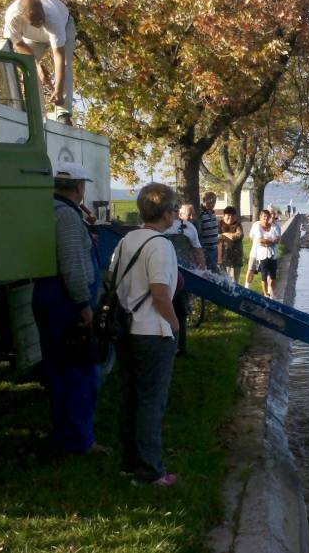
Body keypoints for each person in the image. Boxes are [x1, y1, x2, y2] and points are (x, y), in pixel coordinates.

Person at [31, 162, 109, 456]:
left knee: (59, 370)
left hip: (48, 295)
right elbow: (73, 266)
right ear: (79, 187)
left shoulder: (49, 211)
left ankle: (63, 434)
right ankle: (78, 440)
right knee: (79, 371)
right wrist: (83, 305)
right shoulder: (67, 217)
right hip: (66, 301)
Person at [110, 182, 180, 486]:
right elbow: (160, 293)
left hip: (128, 327)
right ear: (165, 213)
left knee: (131, 397)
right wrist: (175, 325)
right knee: (152, 402)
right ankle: (150, 470)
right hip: (153, 331)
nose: (177, 214)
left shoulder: (128, 241)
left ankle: (129, 461)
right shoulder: (161, 245)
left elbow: (111, 278)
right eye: (175, 209)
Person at [3, 0, 76, 124]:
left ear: (43, 10)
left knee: (65, 64)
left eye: (41, 19)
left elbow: (59, 55)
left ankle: (63, 113)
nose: (39, 24)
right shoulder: (12, 17)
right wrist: (37, 66)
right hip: (32, 39)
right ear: (22, 17)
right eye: (34, 22)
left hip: (65, 26)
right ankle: (38, 112)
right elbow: (18, 44)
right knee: (28, 67)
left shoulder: (53, 18)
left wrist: (58, 90)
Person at [164, 203, 204, 356]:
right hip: (164, 276)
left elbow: (198, 250)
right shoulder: (156, 227)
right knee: (169, 311)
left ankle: (181, 347)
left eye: (174, 210)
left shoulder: (187, 227)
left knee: (180, 311)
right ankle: (170, 347)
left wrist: (202, 272)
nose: (172, 213)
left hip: (182, 276)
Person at [249, 209, 281, 298]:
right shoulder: (258, 226)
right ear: (260, 217)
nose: (266, 218)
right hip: (262, 255)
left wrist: (267, 241)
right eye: (264, 216)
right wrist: (271, 241)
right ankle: (265, 294)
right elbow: (260, 241)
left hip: (273, 254)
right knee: (264, 275)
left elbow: (277, 239)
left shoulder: (274, 227)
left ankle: (272, 293)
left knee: (273, 276)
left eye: (267, 216)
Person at [217, 206, 244, 284]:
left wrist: (224, 234)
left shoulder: (238, 225)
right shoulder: (219, 224)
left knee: (234, 283)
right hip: (221, 258)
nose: (230, 217)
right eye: (228, 215)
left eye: (233, 215)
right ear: (224, 216)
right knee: (222, 282)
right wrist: (229, 235)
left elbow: (238, 236)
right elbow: (217, 237)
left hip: (235, 259)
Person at [197, 191, 219, 273]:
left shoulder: (212, 212)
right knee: (209, 271)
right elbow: (199, 232)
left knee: (214, 269)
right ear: (203, 201)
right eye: (209, 201)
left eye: (214, 201)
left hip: (214, 247)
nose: (212, 203)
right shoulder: (200, 214)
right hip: (206, 248)